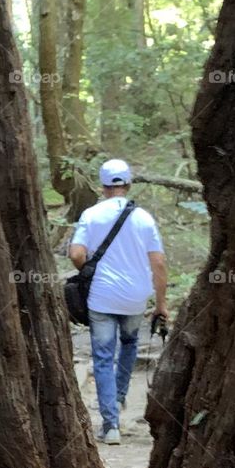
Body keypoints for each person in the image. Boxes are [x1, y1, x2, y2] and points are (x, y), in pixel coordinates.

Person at [69, 159, 168, 445]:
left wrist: (87, 271)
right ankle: (121, 396)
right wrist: (161, 303)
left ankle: (110, 425)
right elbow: (159, 263)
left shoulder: (92, 214)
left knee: (102, 356)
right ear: (128, 184)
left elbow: (76, 253)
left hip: (101, 296)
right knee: (129, 344)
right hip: (136, 297)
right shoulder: (144, 218)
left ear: (102, 186)